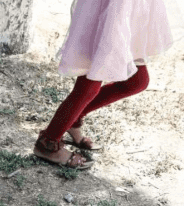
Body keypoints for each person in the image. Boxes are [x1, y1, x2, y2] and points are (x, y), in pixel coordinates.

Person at [32, 0, 175, 168]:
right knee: (89, 85)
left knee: (137, 82)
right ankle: (48, 143)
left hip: (133, 7)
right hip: (111, 6)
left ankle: (71, 119)